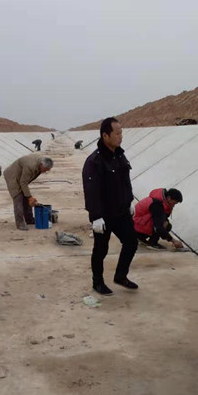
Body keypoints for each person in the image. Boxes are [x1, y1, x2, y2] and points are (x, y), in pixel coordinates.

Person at [82, 117, 138, 295]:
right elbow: (91, 191)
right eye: (117, 133)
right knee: (101, 250)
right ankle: (97, 282)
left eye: (121, 133)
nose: (120, 137)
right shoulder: (94, 162)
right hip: (104, 215)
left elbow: (126, 182)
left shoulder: (120, 156)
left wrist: (129, 201)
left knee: (131, 242)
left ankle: (121, 276)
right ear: (105, 136)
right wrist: (96, 217)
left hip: (121, 212)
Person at [4, 155, 54, 230]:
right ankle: (20, 223)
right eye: (46, 169)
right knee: (18, 198)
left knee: (26, 197)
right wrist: (29, 197)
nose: (46, 171)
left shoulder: (40, 164)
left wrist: (28, 196)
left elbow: (25, 182)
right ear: (41, 165)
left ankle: (29, 219)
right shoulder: (30, 166)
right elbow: (23, 182)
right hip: (12, 176)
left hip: (21, 176)